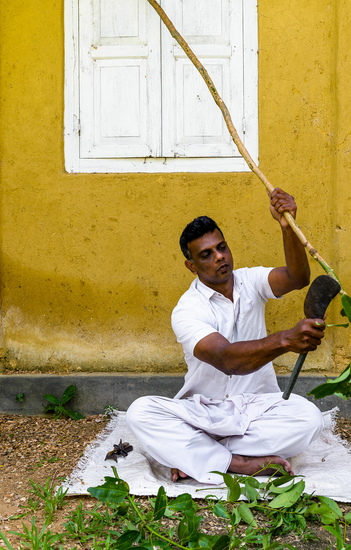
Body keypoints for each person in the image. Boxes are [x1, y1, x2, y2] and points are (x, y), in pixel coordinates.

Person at [126, 188, 326, 485]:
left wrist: (287, 226)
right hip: (204, 413)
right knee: (139, 413)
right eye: (207, 254)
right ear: (191, 266)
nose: (220, 257)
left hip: (256, 409)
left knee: (310, 419)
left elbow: (298, 278)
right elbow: (226, 359)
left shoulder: (251, 280)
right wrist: (285, 340)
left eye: (222, 247)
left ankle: (198, 455)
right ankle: (237, 462)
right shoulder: (187, 310)